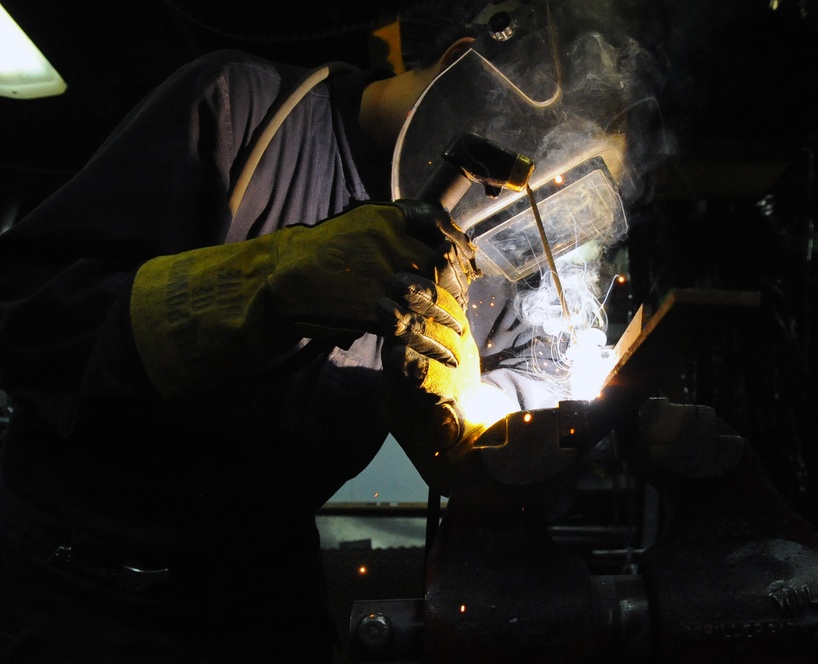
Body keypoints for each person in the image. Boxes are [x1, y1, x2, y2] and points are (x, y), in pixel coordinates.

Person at [0, 17, 545, 662]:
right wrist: (264, 285)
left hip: (256, 601)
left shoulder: (489, 259)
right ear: (464, 68)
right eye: (528, 150)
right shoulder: (239, 110)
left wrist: (475, 423)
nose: (521, 195)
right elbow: (24, 320)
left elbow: (530, 389)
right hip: (64, 588)